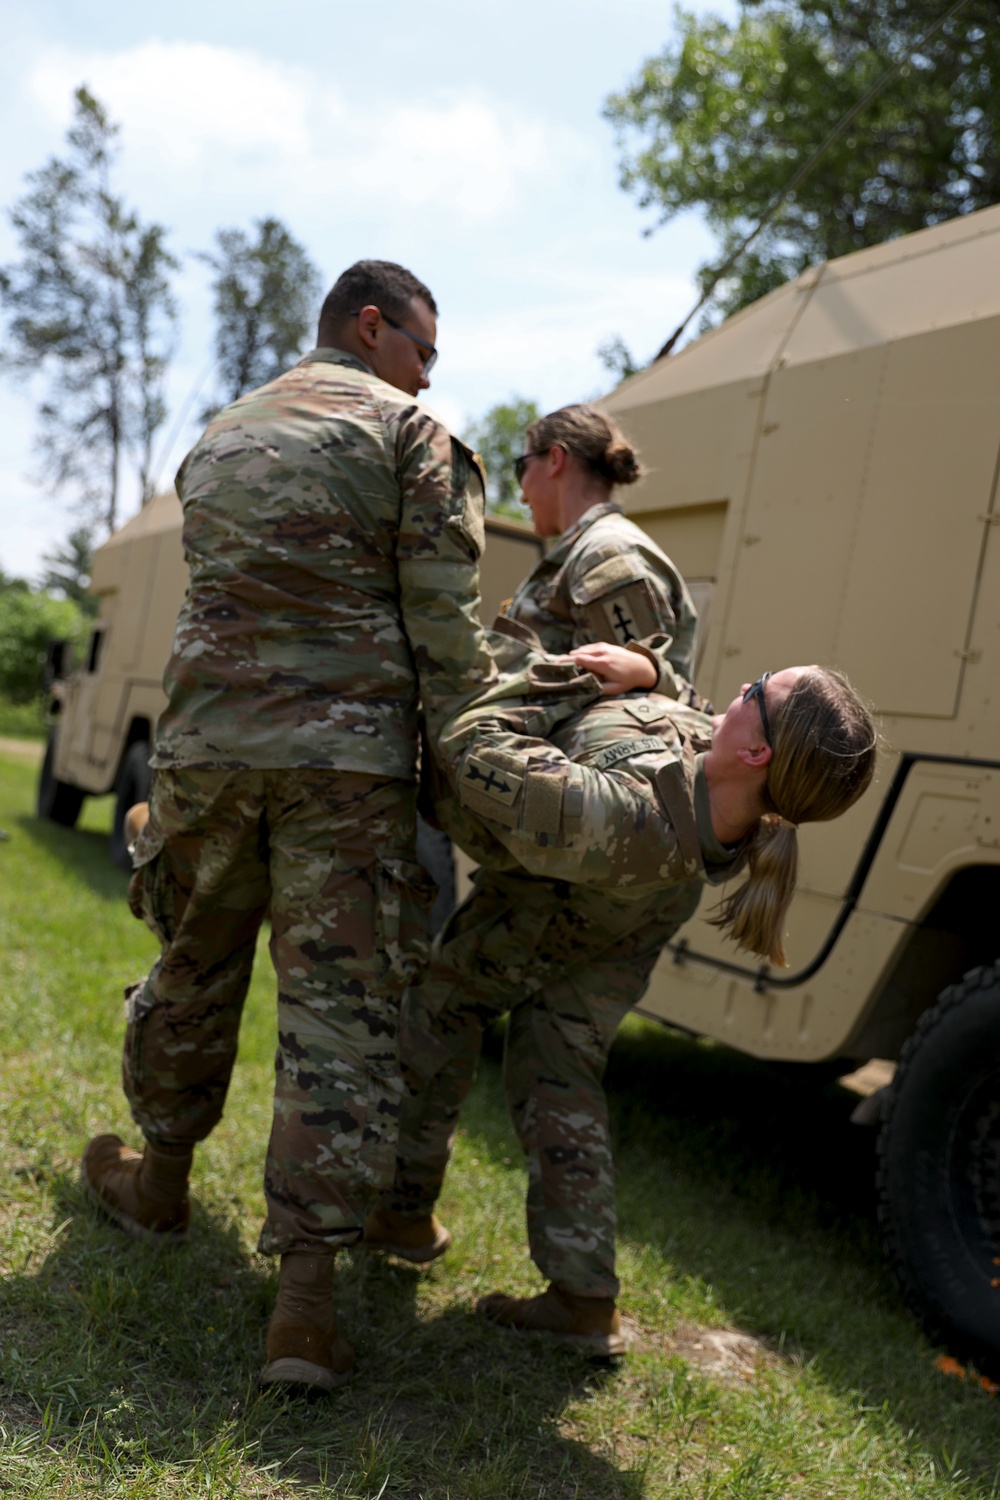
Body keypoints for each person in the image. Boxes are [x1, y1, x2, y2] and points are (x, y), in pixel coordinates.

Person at [80, 259, 498, 1394]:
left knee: (194, 963)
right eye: (423, 348)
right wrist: (478, 770)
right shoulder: (414, 438)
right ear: (373, 328)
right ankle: (303, 1313)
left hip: (208, 750)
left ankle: (158, 1187)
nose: (427, 372)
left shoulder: (217, 435)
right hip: (343, 765)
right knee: (339, 1016)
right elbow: (443, 630)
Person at [366, 622, 877, 1356]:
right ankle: (582, 1298)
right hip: (631, 918)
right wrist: (650, 671)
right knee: (558, 1062)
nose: (741, 687)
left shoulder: (623, 818)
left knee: (440, 1012)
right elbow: (700, 709)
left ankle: (402, 1214)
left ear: (759, 751)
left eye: (759, 690)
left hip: (559, 909)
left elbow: (474, 751)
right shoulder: (734, 785)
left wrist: (557, 680)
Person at [500, 403, 702, 703]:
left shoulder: (606, 557)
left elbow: (636, 707)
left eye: (522, 467)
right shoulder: (585, 552)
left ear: (554, 459)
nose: (521, 493)